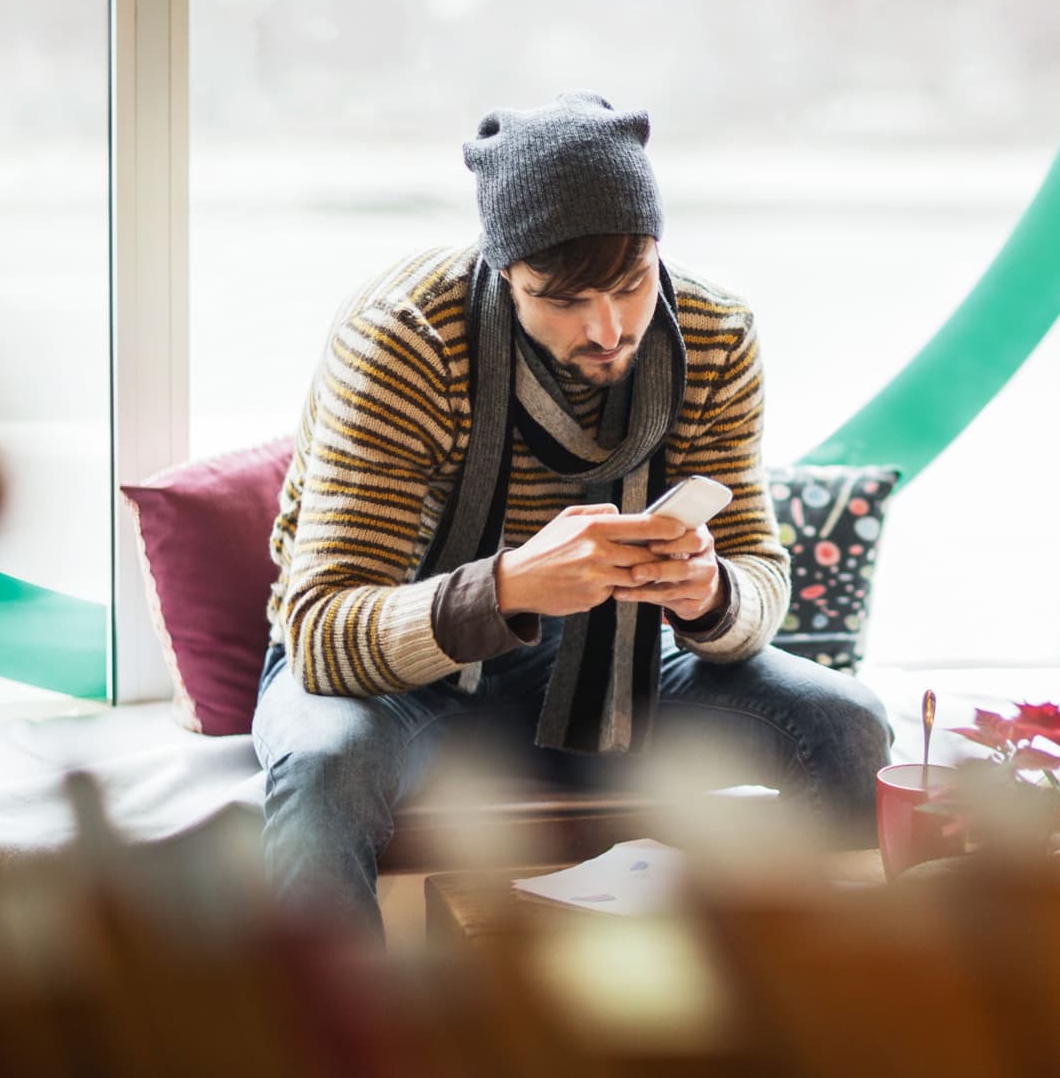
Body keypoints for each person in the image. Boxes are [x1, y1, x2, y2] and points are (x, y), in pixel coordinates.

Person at [250, 91, 892, 935]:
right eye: (563, 299)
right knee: (325, 766)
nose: (608, 327)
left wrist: (707, 593)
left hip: (613, 666)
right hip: (397, 683)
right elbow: (325, 637)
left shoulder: (714, 333)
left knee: (849, 723)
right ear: (505, 271)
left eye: (630, 283)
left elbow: (761, 584)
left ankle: (834, 1001)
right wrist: (510, 586)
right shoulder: (406, 337)